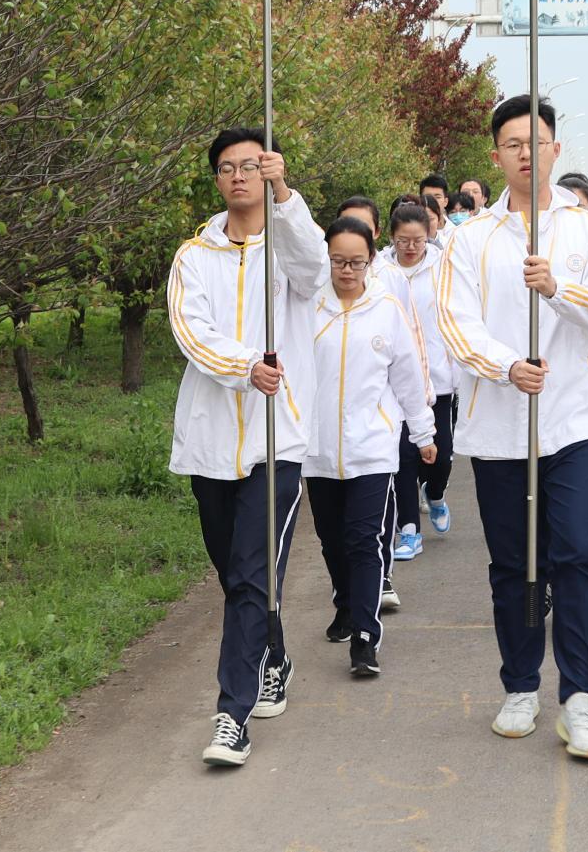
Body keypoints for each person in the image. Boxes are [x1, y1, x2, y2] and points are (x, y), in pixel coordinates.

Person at [437, 95, 588, 760]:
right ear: (496, 154)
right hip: (501, 425)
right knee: (514, 562)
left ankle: (580, 697)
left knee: (579, 550)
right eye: (513, 143)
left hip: (575, 420)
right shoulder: (469, 238)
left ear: (556, 149)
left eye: (537, 141)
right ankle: (521, 684)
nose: (526, 153)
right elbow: (455, 324)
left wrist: (556, 288)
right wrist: (505, 366)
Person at [167, 130, 328, 768]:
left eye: (251, 166)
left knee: (252, 576)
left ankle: (231, 716)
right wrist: (244, 367)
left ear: (267, 173)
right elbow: (190, 330)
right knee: (236, 576)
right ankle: (274, 656)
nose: (239, 176)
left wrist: (285, 192)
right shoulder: (194, 256)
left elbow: (315, 270)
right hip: (211, 442)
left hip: (276, 440)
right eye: (227, 167)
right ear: (216, 179)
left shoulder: (287, 250)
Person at [304, 216, 435, 680]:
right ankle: (345, 602)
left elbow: (407, 376)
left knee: (364, 540)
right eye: (338, 261)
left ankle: (364, 635)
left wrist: (423, 433)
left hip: (372, 446)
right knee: (331, 538)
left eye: (356, 262)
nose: (347, 270)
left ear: (371, 260)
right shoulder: (306, 307)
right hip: (317, 448)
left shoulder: (386, 309)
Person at [385, 199, 459, 540]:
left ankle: (436, 493)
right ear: (391, 237)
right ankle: (409, 528)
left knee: (440, 457)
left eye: (417, 240)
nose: (411, 247)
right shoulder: (381, 270)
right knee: (404, 455)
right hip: (394, 378)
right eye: (403, 241)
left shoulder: (443, 267)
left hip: (437, 378)